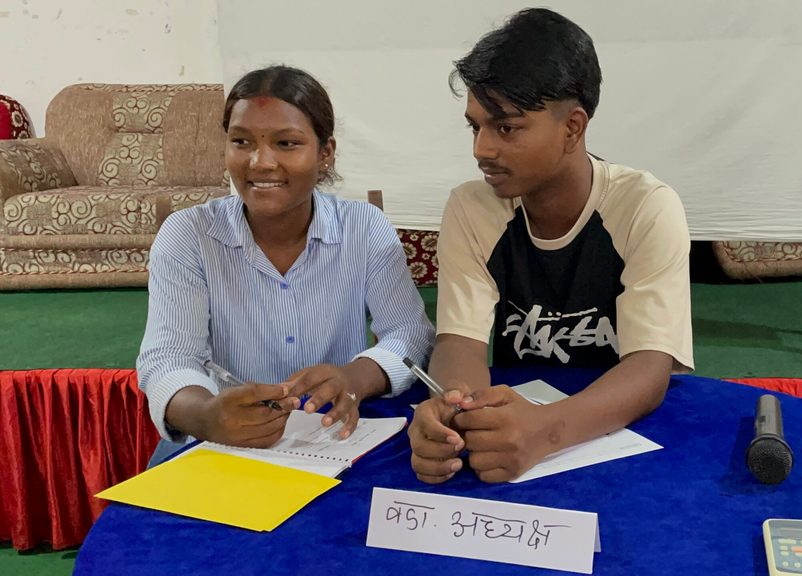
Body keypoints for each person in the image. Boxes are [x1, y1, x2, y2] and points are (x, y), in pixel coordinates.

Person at [409, 8, 693, 484]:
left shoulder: (646, 206)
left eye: (506, 127)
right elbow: (460, 342)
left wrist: (546, 431)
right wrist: (457, 410)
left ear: (573, 128)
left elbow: (649, 368)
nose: (481, 148)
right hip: (516, 432)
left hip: (621, 437)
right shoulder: (470, 207)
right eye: (474, 127)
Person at [138, 65, 434, 466]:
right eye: (241, 141)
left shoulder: (364, 227)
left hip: (334, 435)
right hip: (221, 439)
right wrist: (207, 414)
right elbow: (169, 358)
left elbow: (409, 332)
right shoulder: (189, 235)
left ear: (325, 153)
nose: (260, 162)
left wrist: (354, 378)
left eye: (286, 143)